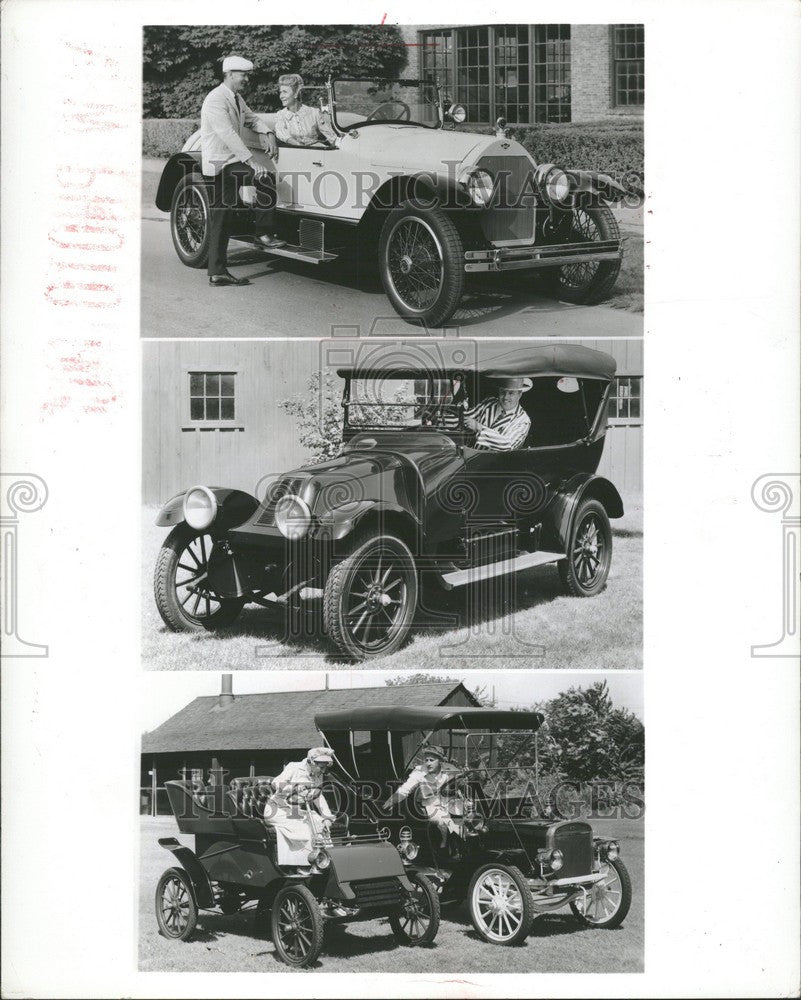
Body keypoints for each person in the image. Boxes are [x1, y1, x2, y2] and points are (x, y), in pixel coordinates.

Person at [201, 55, 285, 287]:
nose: (247, 79)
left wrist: (266, 132)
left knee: (225, 216)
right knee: (223, 216)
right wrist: (251, 161)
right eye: (243, 75)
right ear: (229, 75)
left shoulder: (236, 98)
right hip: (219, 165)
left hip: (230, 163)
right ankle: (259, 236)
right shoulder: (215, 100)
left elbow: (252, 119)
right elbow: (227, 134)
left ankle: (220, 270)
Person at [263, 747, 336, 866]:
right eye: (321, 767)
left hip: (295, 811)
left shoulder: (316, 774)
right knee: (305, 830)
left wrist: (327, 818)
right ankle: (301, 865)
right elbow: (276, 783)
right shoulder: (294, 767)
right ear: (311, 762)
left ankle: (325, 862)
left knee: (321, 825)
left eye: (325, 768)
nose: (323, 771)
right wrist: (293, 788)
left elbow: (318, 797)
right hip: (277, 810)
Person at [383, 747, 463, 849]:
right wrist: (391, 801)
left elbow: (461, 777)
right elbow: (405, 789)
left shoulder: (449, 768)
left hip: (446, 800)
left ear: (440, 761)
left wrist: (462, 778)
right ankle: (444, 847)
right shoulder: (419, 772)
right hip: (429, 805)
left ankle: (466, 840)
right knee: (443, 819)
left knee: (464, 812)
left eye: (432, 760)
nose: (428, 763)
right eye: (426, 760)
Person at [463, 376, 532, 451]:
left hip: (499, 462)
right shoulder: (489, 402)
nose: (506, 397)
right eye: (503, 392)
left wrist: (479, 428)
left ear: (519, 394)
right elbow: (466, 417)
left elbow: (507, 445)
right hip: (473, 456)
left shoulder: (523, 420)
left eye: (511, 393)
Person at [274, 73, 339, 147]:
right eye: (280, 92)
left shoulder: (314, 113)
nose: (281, 96)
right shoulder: (281, 115)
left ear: (296, 93)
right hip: (292, 154)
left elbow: (331, 136)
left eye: (285, 92)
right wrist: (298, 144)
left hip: (315, 153)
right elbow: (281, 133)